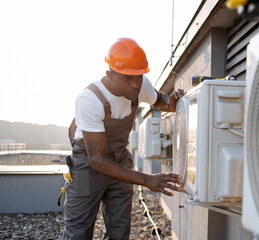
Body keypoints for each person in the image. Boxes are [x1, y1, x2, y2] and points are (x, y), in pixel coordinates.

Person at [63, 38, 185, 240]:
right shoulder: (90, 99)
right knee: (78, 233)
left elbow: (159, 100)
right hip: (89, 163)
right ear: (109, 75)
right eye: (127, 78)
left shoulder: (140, 84)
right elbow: (98, 161)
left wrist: (171, 104)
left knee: (119, 233)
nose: (135, 84)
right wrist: (146, 179)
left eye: (139, 77)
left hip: (119, 158)